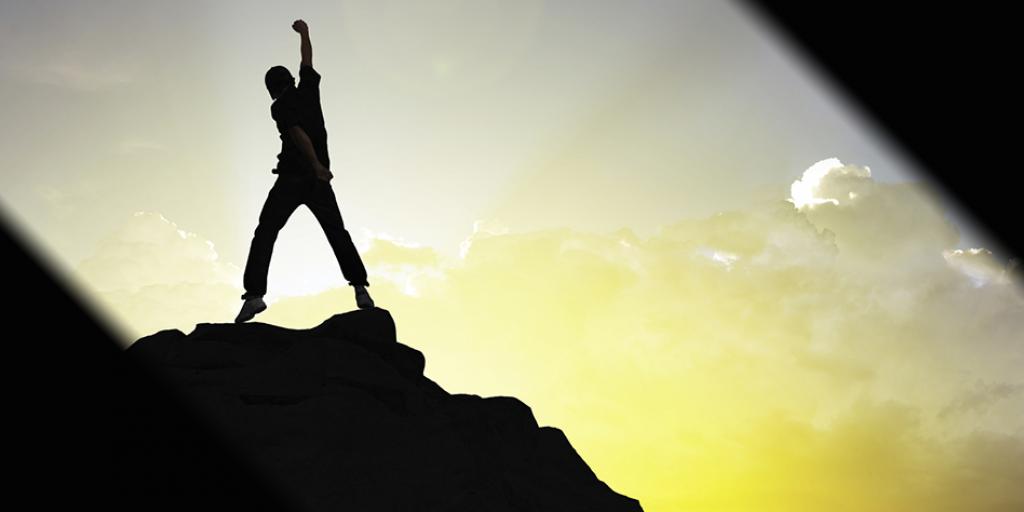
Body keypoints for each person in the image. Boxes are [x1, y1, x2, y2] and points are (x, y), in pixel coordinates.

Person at [236, 19, 373, 323]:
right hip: (318, 181)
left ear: (272, 89)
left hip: (296, 179)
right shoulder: (309, 90)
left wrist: (315, 166)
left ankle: (254, 296)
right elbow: (307, 59)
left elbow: (297, 134)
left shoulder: (280, 106)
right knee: (337, 232)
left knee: (266, 232)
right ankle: (360, 287)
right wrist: (305, 33)